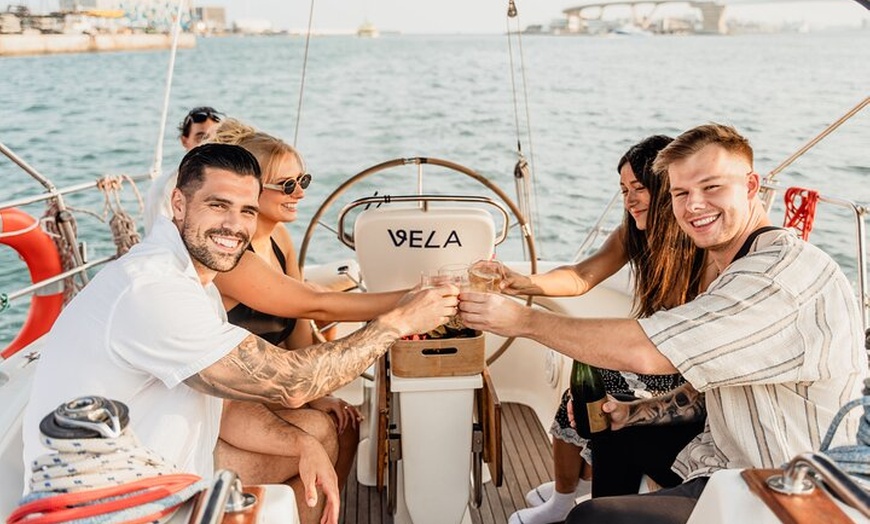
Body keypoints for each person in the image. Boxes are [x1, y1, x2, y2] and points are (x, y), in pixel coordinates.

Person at [23, 143, 459, 524]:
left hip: (164, 461)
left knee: (314, 439)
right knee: (310, 440)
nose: (234, 225)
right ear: (178, 204)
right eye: (218, 205)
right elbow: (291, 382)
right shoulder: (152, 289)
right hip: (117, 498)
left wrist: (300, 442)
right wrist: (397, 323)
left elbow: (224, 403)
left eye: (247, 211)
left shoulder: (194, 278)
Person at [459, 123, 868, 523]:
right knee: (614, 427)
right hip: (723, 457)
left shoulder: (770, 278)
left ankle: (581, 506)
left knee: (594, 518)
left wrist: (520, 319)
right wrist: (637, 413)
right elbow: (709, 381)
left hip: (784, 489)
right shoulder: (733, 257)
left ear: (751, 186)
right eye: (681, 193)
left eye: (711, 187)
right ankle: (571, 496)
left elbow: (649, 350)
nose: (694, 205)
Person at [501, 135, 709, 524]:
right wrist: (519, 282)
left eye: (638, 189)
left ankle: (573, 496)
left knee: (600, 389)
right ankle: (569, 493)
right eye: (624, 190)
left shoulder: (699, 248)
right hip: (656, 355)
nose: (629, 200)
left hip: (685, 369)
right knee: (582, 387)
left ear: (664, 189)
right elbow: (581, 276)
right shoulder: (634, 233)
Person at [205, 119, 408, 516]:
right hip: (230, 403)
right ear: (250, 188)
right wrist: (410, 302)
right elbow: (313, 303)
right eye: (286, 185)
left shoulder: (279, 237)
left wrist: (320, 394)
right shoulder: (234, 259)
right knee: (317, 430)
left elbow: (298, 328)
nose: (298, 193)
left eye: (303, 181)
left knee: (345, 422)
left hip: (269, 389)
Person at [144, 106, 225, 232]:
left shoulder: (224, 184)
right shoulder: (165, 189)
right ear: (184, 141)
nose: (209, 143)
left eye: (215, 137)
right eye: (201, 137)